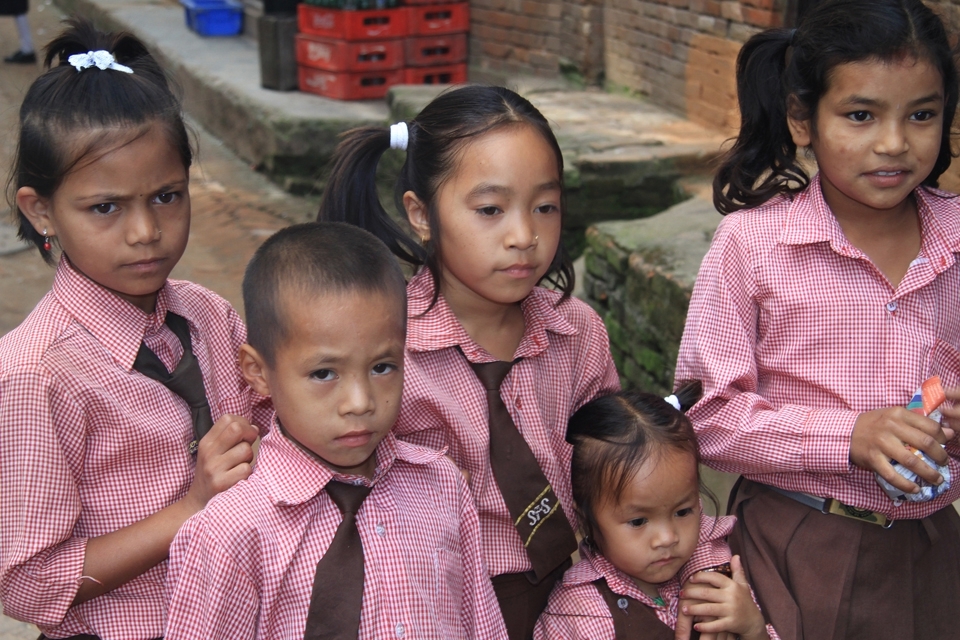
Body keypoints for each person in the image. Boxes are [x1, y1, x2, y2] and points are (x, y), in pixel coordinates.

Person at [675, 1, 960, 638]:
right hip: (795, 546)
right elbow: (708, 417)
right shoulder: (752, 246)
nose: (894, 142)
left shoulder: (957, 236)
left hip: (933, 551)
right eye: (861, 115)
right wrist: (849, 436)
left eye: (922, 114)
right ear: (803, 118)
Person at [318, 85, 621, 639]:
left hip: (569, 598)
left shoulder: (578, 333)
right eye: (490, 210)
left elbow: (607, 472)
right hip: (430, 605)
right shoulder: (381, 350)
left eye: (545, 207)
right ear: (421, 213)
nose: (524, 236)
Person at [0, 18, 268, 640]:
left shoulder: (209, 315)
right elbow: (30, 583)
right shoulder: (33, 375)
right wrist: (192, 508)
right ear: (41, 210)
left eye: (168, 196)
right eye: (106, 207)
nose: (146, 231)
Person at [164, 222, 509, 639]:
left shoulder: (442, 487)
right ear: (258, 372)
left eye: (382, 367)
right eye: (325, 373)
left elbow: (481, 624)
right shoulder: (229, 532)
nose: (360, 402)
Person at [533, 384, 777, 640]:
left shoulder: (715, 574)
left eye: (682, 512)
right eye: (638, 521)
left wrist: (753, 628)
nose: (667, 538)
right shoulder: (581, 614)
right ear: (585, 519)